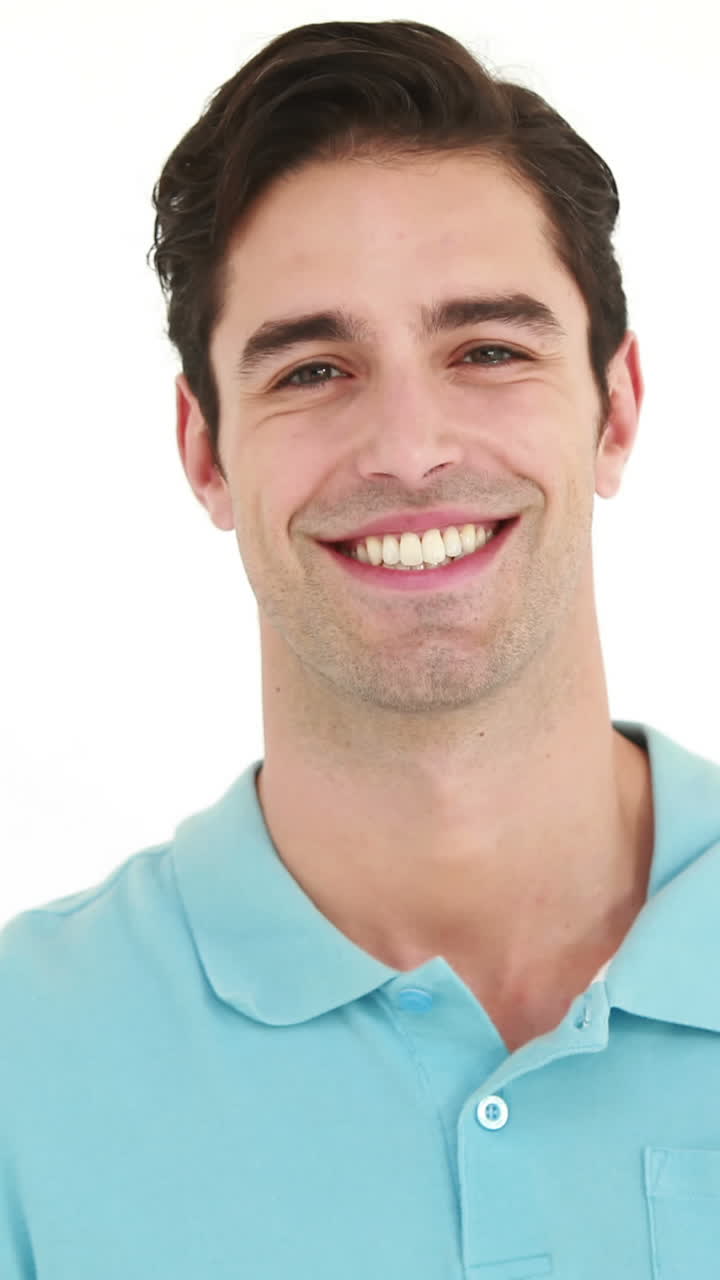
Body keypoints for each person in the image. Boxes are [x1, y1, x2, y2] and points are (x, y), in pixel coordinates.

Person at [2, 18, 720, 1279]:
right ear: (206, 451)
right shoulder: (24, 1067)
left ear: (616, 410)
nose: (406, 447)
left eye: (488, 349)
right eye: (315, 368)